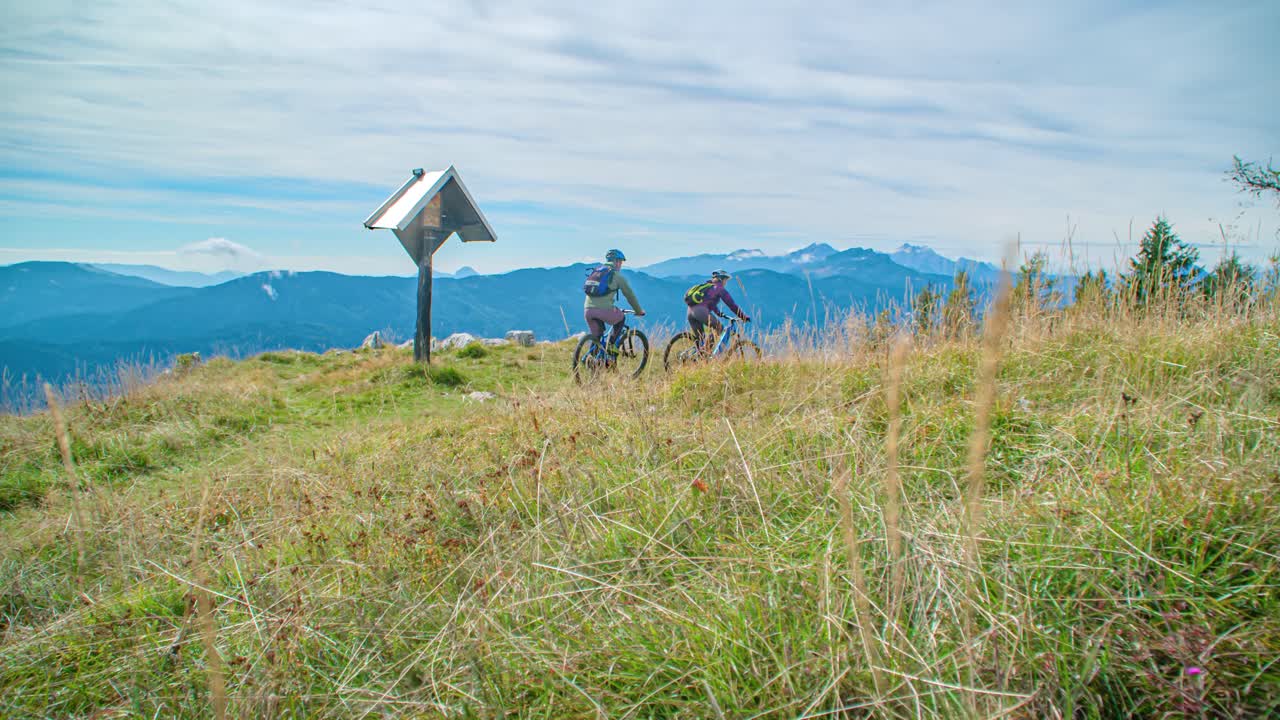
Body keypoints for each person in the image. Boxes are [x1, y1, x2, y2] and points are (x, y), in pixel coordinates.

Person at [584, 249, 645, 357]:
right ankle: (611, 346)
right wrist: (638, 311)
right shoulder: (616, 275)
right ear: (616, 261)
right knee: (621, 318)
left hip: (587, 310)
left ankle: (592, 362)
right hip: (603, 310)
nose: (621, 265)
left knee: (597, 337)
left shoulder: (597, 271)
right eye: (621, 262)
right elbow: (629, 295)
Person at [686, 269, 750, 352]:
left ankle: (697, 358)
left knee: (700, 339)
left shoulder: (708, 287)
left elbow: (710, 303)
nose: (726, 283)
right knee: (719, 328)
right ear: (721, 279)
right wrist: (743, 316)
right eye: (726, 280)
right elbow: (732, 305)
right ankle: (706, 350)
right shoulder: (720, 289)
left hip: (690, 312)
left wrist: (719, 313)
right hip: (700, 312)